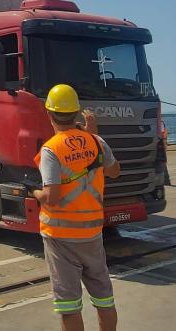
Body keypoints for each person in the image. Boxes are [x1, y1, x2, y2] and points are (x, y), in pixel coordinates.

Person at [31, 84, 121, 331]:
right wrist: (93, 137)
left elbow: (52, 196)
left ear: (49, 114)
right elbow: (115, 171)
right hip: (92, 235)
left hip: (61, 238)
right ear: (77, 113)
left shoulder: (51, 150)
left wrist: (35, 193)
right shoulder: (96, 141)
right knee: (104, 299)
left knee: (69, 307)